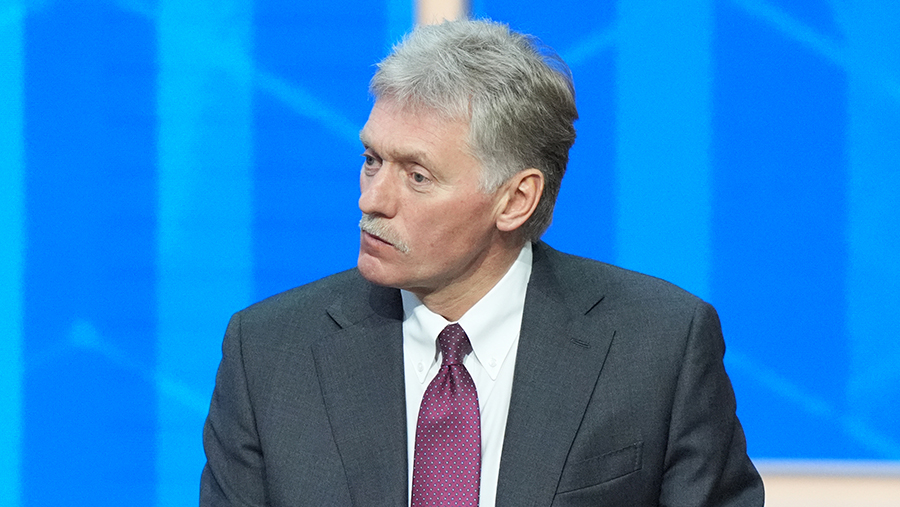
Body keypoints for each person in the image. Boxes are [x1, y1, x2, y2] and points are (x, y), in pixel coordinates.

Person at [200, 19, 764, 507]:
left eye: (417, 176)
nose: (372, 199)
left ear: (515, 200)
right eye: (372, 160)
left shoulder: (659, 347)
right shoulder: (269, 354)